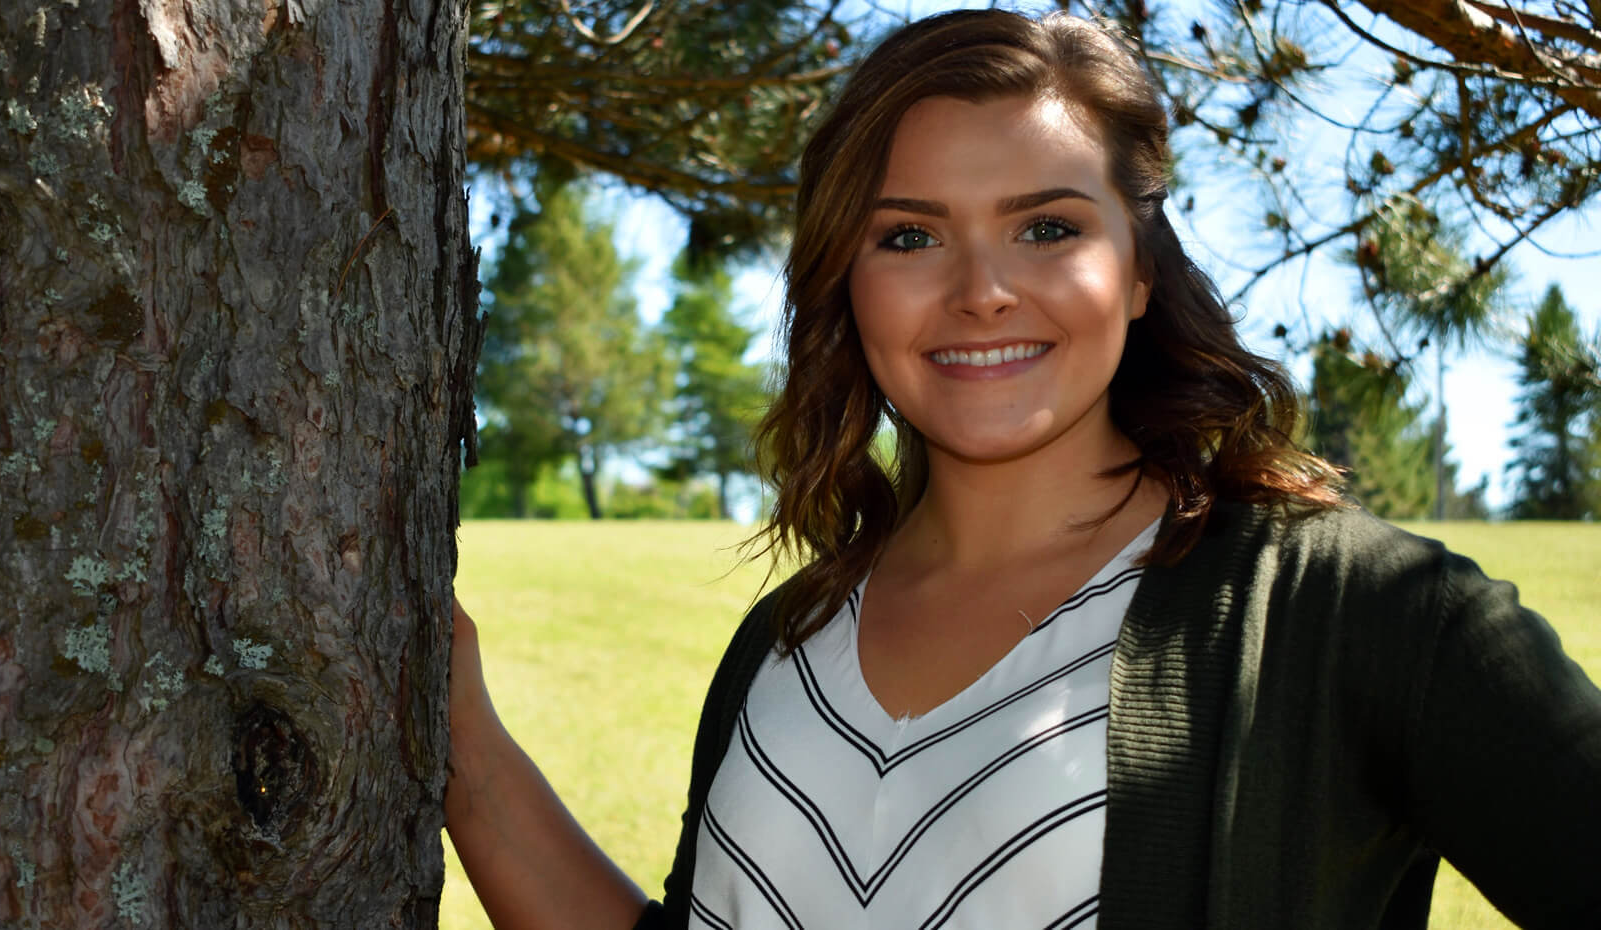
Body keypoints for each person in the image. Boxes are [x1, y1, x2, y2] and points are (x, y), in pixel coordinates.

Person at [445, 10, 1601, 929]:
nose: (981, 287)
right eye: (908, 235)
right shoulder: (787, 642)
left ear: (1140, 268)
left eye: (1047, 225)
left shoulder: (1354, 617)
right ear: (845, 280)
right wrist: (463, 742)